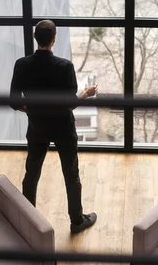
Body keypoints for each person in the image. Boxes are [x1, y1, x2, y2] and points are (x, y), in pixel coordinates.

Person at [10, 20, 98, 233]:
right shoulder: (64, 66)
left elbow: (14, 102)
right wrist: (86, 93)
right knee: (71, 173)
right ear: (54, 39)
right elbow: (70, 104)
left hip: (37, 127)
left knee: (31, 173)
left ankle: (29, 221)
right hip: (63, 129)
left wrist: (32, 110)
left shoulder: (22, 64)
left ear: (33, 36)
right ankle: (77, 221)